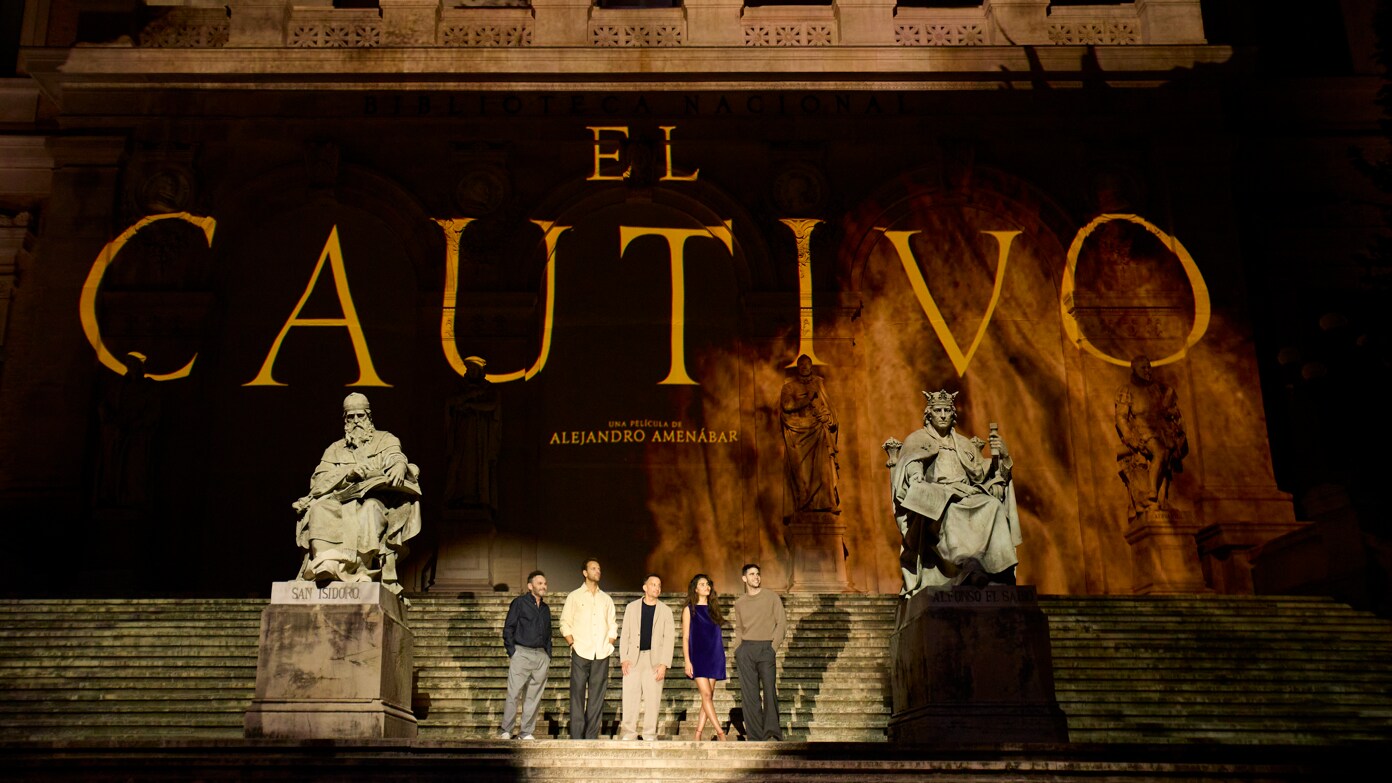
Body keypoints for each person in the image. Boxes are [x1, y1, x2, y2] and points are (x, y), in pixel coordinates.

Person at [885, 389, 1020, 596]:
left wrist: (1004, 457)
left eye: (947, 411)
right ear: (929, 414)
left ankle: (998, 571)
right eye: (938, 410)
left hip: (966, 493)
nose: (942, 415)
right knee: (950, 509)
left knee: (993, 506)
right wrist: (916, 477)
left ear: (953, 414)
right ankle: (968, 565)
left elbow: (981, 475)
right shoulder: (917, 439)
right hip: (937, 495)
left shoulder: (963, 443)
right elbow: (912, 463)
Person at [292, 393, 421, 596]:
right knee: (319, 509)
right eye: (350, 417)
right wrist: (348, 473)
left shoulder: (385, 439)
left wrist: (399, 465)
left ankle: (361, 567)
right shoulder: (334, 449)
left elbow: (395, 455)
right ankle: (326, 562)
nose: (356, 421)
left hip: (376, 501)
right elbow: (318, 481)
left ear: (369, 416)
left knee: (370, 509)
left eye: (360, 416)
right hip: (340, 501)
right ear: (345, 420)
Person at [1115, 355, 1189, 516]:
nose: (1148, 371)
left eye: (1149, 367)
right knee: (1159, 452)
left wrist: (1171, 412)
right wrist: (1129, 436)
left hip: (1162, 429)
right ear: (1134, 369)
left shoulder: (1157, 389)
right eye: (1143, 368)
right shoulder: (1126, 389)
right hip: (1143, 430)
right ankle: (1152, 491)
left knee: (1167, 457)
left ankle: (1161, 500)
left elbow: (1166, 410)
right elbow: (1121, 416)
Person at [559, 557, 617, 739]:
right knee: (577, 694)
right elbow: (565, 622)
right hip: (581, 651)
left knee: (597, 696)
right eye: (593, 568)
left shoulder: (606, 599)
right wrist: (572, 643)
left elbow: (612, 624)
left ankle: (591, 736)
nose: (597, 571)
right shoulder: (574, 596)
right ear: (585, 573)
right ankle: (577, 736)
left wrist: (609, 643)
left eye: (599, 568)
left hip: (601, 652)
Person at [780, 354, 839, 516]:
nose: (805, 367)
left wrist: (826, 417)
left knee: (823, 468)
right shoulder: (789, 387)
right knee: (802, 472)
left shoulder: (819, 384)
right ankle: (803, 502)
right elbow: (787, 406)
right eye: (801, 364)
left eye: (807, 364)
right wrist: (808, 399)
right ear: (797, 367)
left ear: (811, 366)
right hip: (798, 435)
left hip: (818, 432)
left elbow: (829, 409)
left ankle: (827, 502)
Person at [731, 563, 785, 741]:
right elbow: (739, 628)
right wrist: (738, 649)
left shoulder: (771, 597)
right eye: (752, 574)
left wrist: (773, 647)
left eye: (757, 574)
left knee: (769, 690)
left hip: (766, 648)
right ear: (744, 578)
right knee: (750, 695)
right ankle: (755, 735)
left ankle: (772, 732)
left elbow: (781, 623)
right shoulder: (739, 603)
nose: (756, 577)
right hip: (746, 650)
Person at [619, 573, 674, 741]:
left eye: (659, 585)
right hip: (633, 659)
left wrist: (664, 664)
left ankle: (649, 733)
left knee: (653, 699)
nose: (657, 588)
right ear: (645, 587)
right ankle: (629, 732)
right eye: (653, 584)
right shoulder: (632, 608)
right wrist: (624, 658)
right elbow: (625, 634)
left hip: (654, 660)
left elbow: (669, 638)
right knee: (630, 698)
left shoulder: (666, 611)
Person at [444, 355, 501, 511]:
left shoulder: (489, 389)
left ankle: (480, 498)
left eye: (475, 369)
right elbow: (450, 402)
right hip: (462, 433)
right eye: (470, 369)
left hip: (481, 435)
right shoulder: (460, 388)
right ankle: (457, 497)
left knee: (480, 467)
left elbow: (492, 405)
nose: (472, 372)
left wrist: (470, 406)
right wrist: (470, 397)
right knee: (460, 464)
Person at [500, 570, 551, 740]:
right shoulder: (519, 603)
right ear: (530, 586)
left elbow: (548, 633)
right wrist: (513, 652)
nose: (543, 586)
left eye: (545, 583)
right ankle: (506, 730)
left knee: (533, 697)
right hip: (521, 653)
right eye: (540, 583)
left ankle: (526, 732)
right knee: (514, 693)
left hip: (541, 656)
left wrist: (547, 655)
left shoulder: (545, 609)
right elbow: (509, 628)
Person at [682, 573, 728, 741]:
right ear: (695, 589)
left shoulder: (714, 609)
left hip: (714, 655)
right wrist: (687, 661)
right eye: (702, 584)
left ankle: (698, 734)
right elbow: (685, 637)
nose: (706, 586)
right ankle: (721, 733)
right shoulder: (689, 610)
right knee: (707, 695)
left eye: (708, 584)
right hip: (698, 657)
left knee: (707, 697)